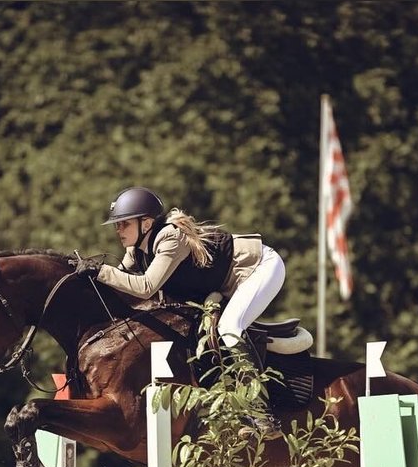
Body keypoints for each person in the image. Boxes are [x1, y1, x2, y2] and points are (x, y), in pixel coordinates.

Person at [72, 186, 285, 437]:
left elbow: (145, 287)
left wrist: (100, 271)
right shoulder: (137, 249)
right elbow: (122, 285)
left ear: (146, 223)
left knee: (230, 327)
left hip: (258, 267)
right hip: (225, 283)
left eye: (124, 224)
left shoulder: (170, 239)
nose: (118, 230)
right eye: (117, 225)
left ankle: (262, 413)